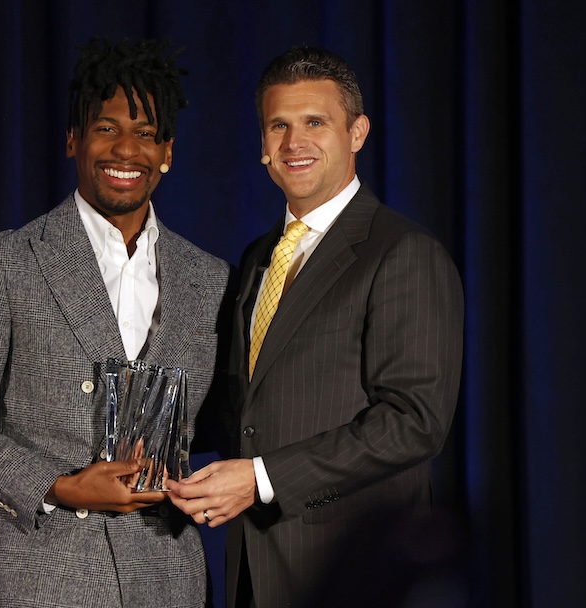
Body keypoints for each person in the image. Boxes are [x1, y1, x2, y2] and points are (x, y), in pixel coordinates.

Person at [0, 37, 233, 608]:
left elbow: (216, 424)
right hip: (41, 581)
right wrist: (58, 486)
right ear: (73, 140)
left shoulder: (208, 280)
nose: (126, 149)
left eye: (146, 133)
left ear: (168, 153)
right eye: (106, 128)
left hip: (167, 582)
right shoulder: (5, 263)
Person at [167, 45, 465, 608]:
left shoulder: (403, 253)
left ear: (357, 133)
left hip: (354, 573)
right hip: (255, 573)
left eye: (314, 123)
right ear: (262, 147)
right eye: (277, 125)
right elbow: (246, 411)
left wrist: (258, 479)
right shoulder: (259, 258)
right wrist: (147, 431)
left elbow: (414, 422)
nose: (293, 143)